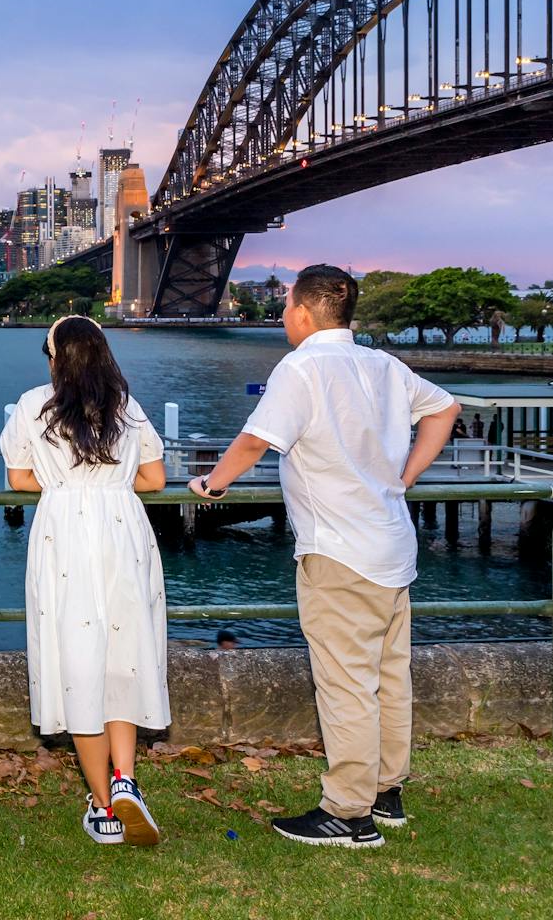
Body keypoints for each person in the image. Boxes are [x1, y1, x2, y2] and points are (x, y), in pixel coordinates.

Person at [192, 264, 459, 849]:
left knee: (345, 684)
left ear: (304, 312)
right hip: (391, 542)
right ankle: (387, 792)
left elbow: (257, 440)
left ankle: (348, 812)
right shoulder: (383, 365)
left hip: (338, 550)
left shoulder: (302, 367)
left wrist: (212, 485)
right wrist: (406, 475)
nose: (285, 316)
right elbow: (444, 410)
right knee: (390, 676)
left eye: (287, 306)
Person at [0, 314, 170, 847]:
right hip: (123, 531)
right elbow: (155, 477)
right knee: (125, 657)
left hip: (65, 533)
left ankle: (103, 807)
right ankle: (127, 781)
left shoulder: (33, 406)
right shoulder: (126, 405)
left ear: (55, 358)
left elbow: (19, 478)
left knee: (79, 662)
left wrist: (63, 481)